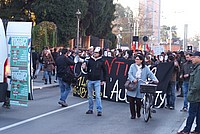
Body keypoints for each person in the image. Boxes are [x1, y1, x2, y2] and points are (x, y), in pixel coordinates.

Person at [127, 54, 158, 119]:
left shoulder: (145, 68)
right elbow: (129, 74)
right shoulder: (132, 66)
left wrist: (155, 79)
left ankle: (138, 112)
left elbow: (150, 74)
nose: (136, 60)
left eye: (138, 59)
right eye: (135, 59)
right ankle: (133, 114)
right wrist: (133, 79)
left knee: (138, 101)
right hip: (133, 85)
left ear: (141, 60)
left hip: (140, 86)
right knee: (131, 100)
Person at [177, 51, 200, 134]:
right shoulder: (196, 67)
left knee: (192, 113)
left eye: (194, 57)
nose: (192, 59)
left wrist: (190, 92)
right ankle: (198, 129)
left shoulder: (199, 68)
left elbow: (197, 84)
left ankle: (186, 130)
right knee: (198, 113)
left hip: (195, 95)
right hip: (196, 95)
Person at [82, 47, 106, 116]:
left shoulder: (101, 61)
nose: (95, 54)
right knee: (90, 96)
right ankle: (90, 109)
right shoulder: (89, 60)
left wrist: (103, 80)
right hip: (90, 79)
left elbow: (104, 71)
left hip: (97, 80)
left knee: (98, 96)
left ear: (99, 53)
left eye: (97, 53)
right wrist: (84, 67)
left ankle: (99, 110)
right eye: (95, 52)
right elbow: (86, 69)